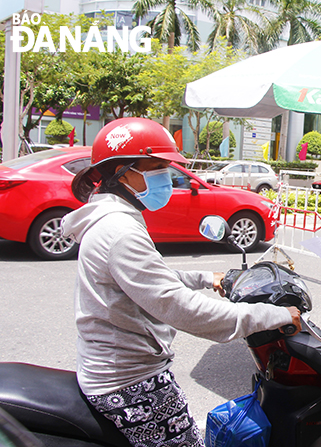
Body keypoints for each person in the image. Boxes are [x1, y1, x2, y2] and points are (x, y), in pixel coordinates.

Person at [61, 118, 301, 447]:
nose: (166, 176)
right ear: (123, 172)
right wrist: (274, 315)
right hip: (130, 383)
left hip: (119, 370)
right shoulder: (118, 231)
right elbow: (179, 308)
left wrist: (205, 278)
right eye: (157, 167)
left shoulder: (112, 219)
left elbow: (148, 279)